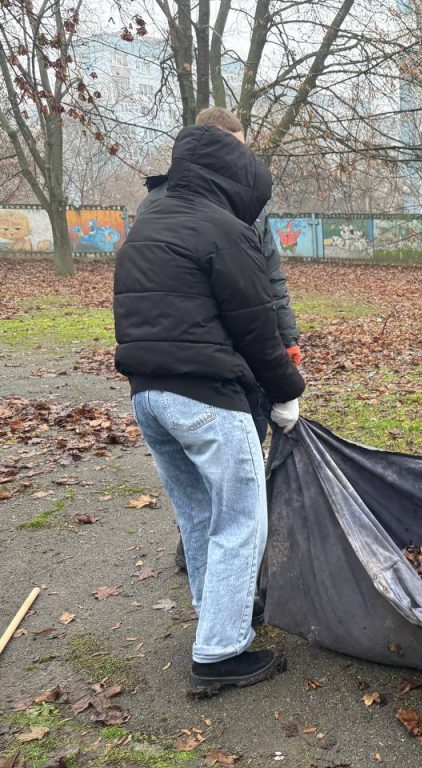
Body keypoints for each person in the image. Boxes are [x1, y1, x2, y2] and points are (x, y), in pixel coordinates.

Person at [113, 122, 306, 698]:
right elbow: (257, 328)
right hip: (208, 400)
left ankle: (217, 616)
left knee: (198, 516)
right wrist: (286, 392)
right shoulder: (224, 230)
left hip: (149, 398)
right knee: (241, 520)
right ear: (235, 179)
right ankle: (221, 651)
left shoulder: (148, 225)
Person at [138, 107, 301, 573]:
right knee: (229, 477)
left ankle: (209, 553)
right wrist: (281, 376)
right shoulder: (178, 207)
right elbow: (249, 299)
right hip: (217, 360)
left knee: (216, 464)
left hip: (168, 373)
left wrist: (289, 340)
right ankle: (231, 562)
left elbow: (271, 279)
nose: (243, 160)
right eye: (236, 149)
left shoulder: (240, 206)